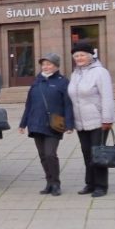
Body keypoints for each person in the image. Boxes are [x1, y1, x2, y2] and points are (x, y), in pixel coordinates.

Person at [19, 52, 74, 196]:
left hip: (54, 125)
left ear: (56, 66)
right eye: (43, 64)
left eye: (49, 64)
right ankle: (49, 183)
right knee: (43, 155)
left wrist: (69, 124)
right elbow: (29, 104)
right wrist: (23, 124)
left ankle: (56, 183)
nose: (46, 67)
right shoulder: (36, 81)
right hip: (36, 124)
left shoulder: (63, 82)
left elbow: (68, 105)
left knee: (50, 154)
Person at [68, 41, 115, 197]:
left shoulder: (100, 72)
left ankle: (101, 186)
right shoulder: (75, 73)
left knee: (98, 153)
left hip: (98, 121)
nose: (79, 58)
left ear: (90, 56)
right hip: (81, 122)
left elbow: (107, 97)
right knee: (87, 153)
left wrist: (107, 119)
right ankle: (90, 183)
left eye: (82, 55)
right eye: (76, 56)